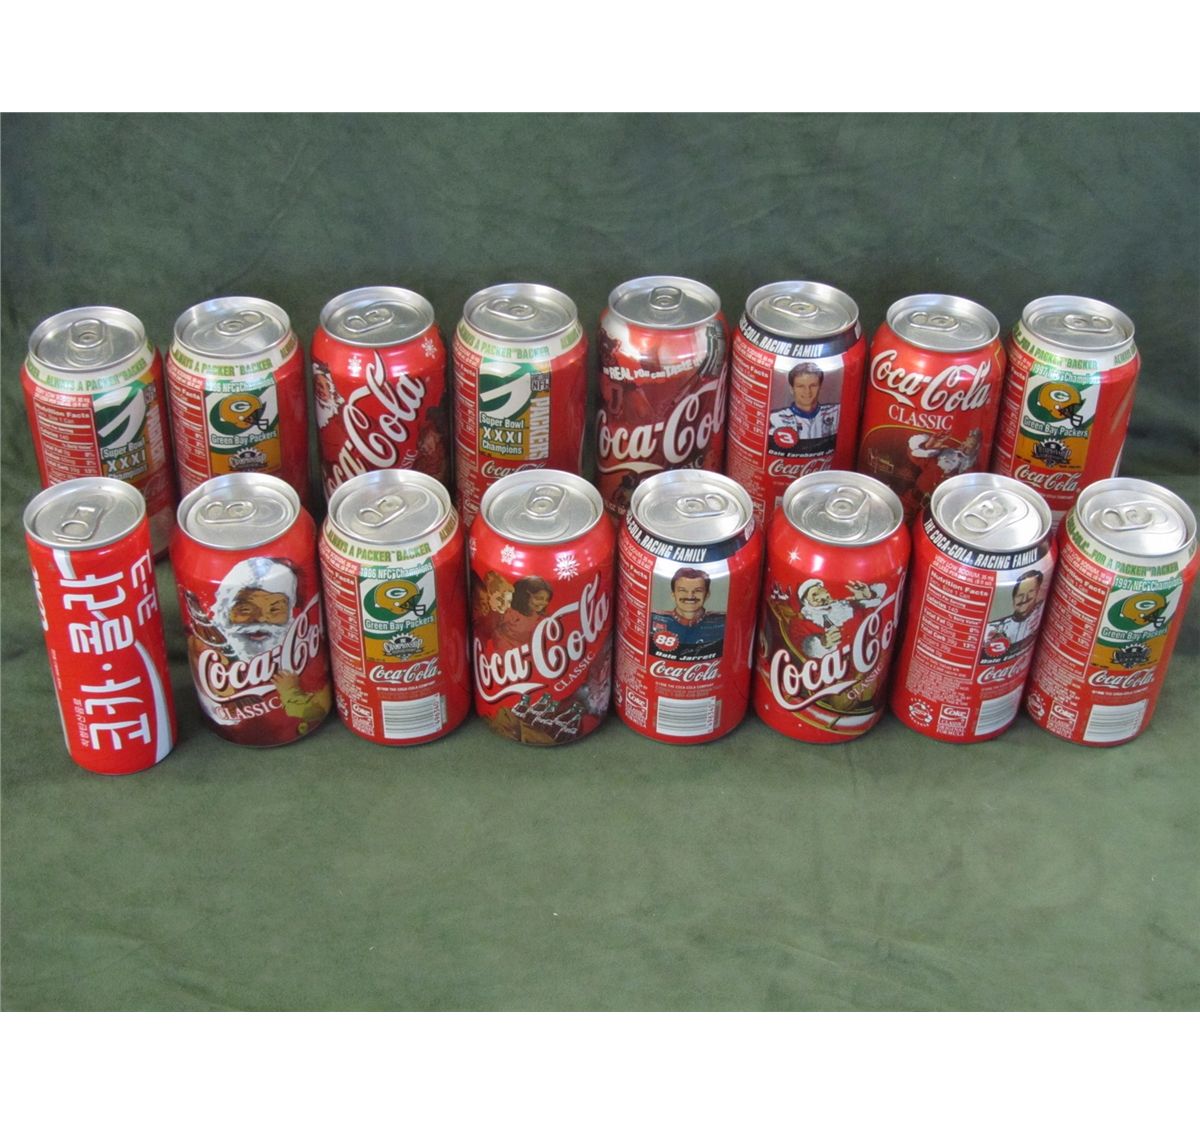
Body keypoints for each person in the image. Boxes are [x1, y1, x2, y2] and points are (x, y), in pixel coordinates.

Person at [185, 556, 331, 731]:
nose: (261, 619)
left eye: (275, 609)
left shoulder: (305, 649)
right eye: (245, 609)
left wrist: (291, 693)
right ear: (223, 612)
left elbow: (315, 710)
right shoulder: (204, 649)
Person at [777, 578, 885, 658]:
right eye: (814, 595)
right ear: (806, 602)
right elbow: (799, 645)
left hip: (860, 670)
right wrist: (822, 643)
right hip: (823, 677)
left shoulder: (848, 608)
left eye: (821, 591)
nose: (821, 596)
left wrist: (868, 596)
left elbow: (875, 619)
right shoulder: (800, 623)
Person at [649, 567, 725, 661]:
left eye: (698, 590)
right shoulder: (654, 619)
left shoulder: (722, 622)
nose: (690, 596)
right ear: (673, 594)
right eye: (683, 590)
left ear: (707, 594)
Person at [768, 362, 839, 455]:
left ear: (820, 387)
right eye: (800, 386)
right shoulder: (774, 419)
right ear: (791, 389)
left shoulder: (836, 412)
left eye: (813, 385)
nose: (807, 391)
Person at [984, 571, 1047, 659]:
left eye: (1031, 592)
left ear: (1038, 592)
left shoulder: (1038, 615)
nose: (1024, 599)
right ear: (1014, 598)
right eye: (1020, 595)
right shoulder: (994, 627)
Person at [495, 576, 552, 653]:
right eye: (538, 598)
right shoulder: (510, 614)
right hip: (506, 655)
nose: (544, 603)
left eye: (547, 600)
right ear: (525, 596)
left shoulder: (543, 618)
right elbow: (493, 630)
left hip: (530, 657)